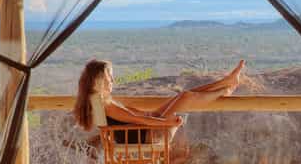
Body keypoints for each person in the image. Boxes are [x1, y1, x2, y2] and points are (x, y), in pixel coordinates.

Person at [72, 58, 245, 138]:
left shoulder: (98, 101)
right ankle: (224, 89)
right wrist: (166, 123)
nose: (113, 80)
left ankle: (226, 83)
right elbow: (137, 119)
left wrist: (153, 115)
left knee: (182, 95)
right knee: (185, 96)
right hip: (150, 137)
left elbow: (135, 116)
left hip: (146, 131)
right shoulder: (105, 104)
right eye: (109, 76)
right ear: (98, 80)